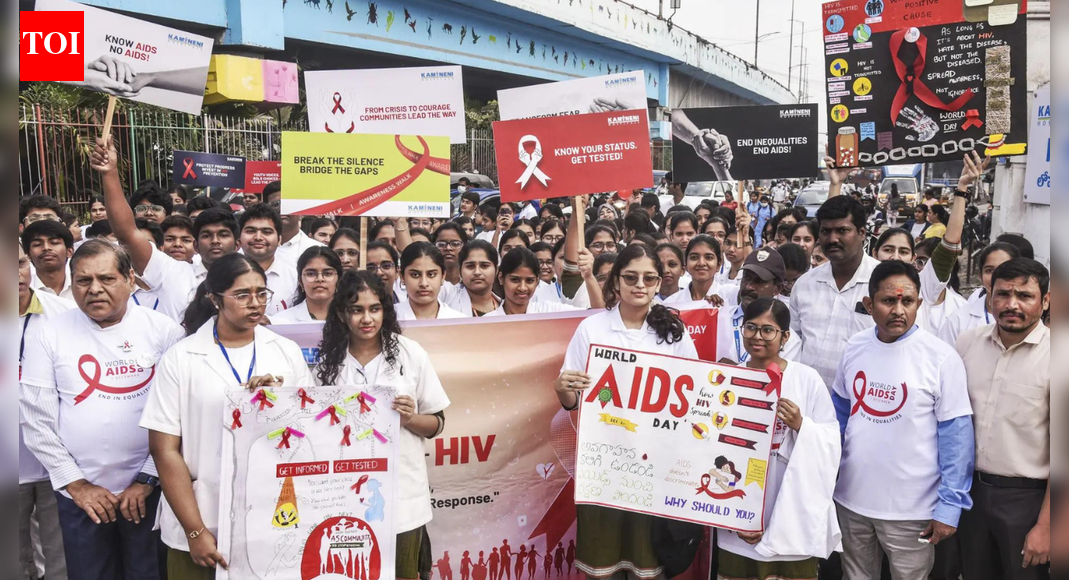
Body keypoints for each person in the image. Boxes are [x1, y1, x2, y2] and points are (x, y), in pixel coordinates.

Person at [140, 253, 313, 579]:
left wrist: (278, 402)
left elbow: (305, 432)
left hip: (272, 518)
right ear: (214, 298)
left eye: (262, 293)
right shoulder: (182, 358)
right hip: (202, 518)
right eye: (242, 295)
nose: (256, 303)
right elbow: (164, 450)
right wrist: (195, 531)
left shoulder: (284, 351)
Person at [21, 240, 185, 580]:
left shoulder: (164, 331)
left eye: (106, 279)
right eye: (83, 281)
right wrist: (78, 486)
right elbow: (37, 421)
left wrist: (147, 479)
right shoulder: (49, 333)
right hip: (80, 496)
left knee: (148, 573)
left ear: (129, 279)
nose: (94, 289)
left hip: (150, 491)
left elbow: (180, 415)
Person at [554, 243, 698, 580]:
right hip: (604, 464)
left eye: (649, 278)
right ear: (616, 281)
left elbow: (692, 400)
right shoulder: (592, 329)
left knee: (647, 565)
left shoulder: (674, 333)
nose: (640, 285)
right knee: (602, 565)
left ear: (660, 282)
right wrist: (562, 391)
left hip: (654, 466)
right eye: (631, 277)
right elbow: (574, 400)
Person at [831, 261, 974, 580]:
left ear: (919, 304)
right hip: (851, 501)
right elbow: (839, 419)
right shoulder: (855, 348)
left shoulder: (941, 358)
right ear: (869, 304)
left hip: (913, 512)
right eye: (888, 301)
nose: (898, 310)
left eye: (907, 301)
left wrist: (950, 507)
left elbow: (957, 440)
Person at [315, 270, 449, 580]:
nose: (367, 318)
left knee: (404, 573)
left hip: (402, 491)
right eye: (356, 309)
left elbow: (437, 423)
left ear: (384, 311)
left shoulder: (409, 354)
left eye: (374, 308)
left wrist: (410, 419)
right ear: (340, 313)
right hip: (344, 492)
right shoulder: (327, 365)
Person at [717, 298, 841, 580]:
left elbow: (831, 442)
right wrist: (734, 515)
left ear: (785, 336)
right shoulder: (727, 377)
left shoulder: (806, 379)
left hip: (790, 505)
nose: (758, 336)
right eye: (751, 327)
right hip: (738, 501)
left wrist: (801, 426)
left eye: (768, 330)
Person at [955, 259, 1050, 580]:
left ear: (1046, 301)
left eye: (1024, 295)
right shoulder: (967, 344)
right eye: (1003, 294)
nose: (1012, 304)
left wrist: (1047, 526)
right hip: (970, 496)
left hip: (1028, 501)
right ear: (989, 296)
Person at [91, 137, 235, 321]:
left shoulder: (252, 276)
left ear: (237, 243)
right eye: (206, 235)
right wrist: (110, 173)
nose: (215, 241)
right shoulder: (171, 272)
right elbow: (127, 234)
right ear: (196, 246)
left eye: (223, 234)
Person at [19, 243, 73, 580]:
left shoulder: (60, 313)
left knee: (61, 556)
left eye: (20, 263)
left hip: (57, 460)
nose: (15, 274)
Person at [790, 195, 880, 387]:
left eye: (842, 230)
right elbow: (792, 342)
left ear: (862, 233)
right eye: (826, 231)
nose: (832, 239)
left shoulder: (883, 284)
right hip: (807, 404)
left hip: (862, 405)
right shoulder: (805, 284)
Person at [715, 248, 801, 364]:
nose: (749, 287)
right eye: (747, 278)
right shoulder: (717, 318)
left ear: (778, 288)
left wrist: (735, 371)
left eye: (759, 281)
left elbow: (778, 378)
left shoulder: (788, 339)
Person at [938, 242, 1021, 346]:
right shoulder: (958, 320)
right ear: (980, 276)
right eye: (989, 270)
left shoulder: (1028, 317)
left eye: (1004, 269)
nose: (996, 276)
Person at [238, 203, 298, 315]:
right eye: (251, 231)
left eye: (267, 232)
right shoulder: (225, 273)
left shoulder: (295, 275)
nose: (258, 237)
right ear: (239, 238)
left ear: (279, 239)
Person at [487, 248, 584, 316]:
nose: (522, 288)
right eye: (515, 280)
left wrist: (589, 277)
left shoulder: (549, 312)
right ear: (501, 278)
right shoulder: (488, 322)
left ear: (537, 281)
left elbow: (593, 315)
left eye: (529, 280)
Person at [270, 246, 341, 323]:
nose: (320, 279)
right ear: (300, 281)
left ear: (339, 280)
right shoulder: (281, 321)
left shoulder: (349, 318)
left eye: (327, 273)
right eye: (311, 274)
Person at [396, 242, 466, 320]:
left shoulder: (460, 321)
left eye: (431, 274)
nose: (424, 283)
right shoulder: (387, 320)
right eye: (415, 275)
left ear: (443, 276)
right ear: (402, 276)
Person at [664, 235, 727, 305]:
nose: (701, 263)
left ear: (718, 264)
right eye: (694, 257)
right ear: (685, 263)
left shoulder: (730, 295)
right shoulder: (670, 303)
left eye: (709, 257)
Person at [444, 240, 501, 317]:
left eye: (484, 266)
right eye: (470, 266)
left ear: (496, 270)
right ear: (460, 270)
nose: (477, 272)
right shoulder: (448, 297)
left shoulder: (505, 306)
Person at [22, 220, 74, 300]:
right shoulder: (23, 291)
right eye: (37, 244)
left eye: (54, 242)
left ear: (69, 251)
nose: (46, 248)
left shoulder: (83, 286)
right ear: (28, 255)